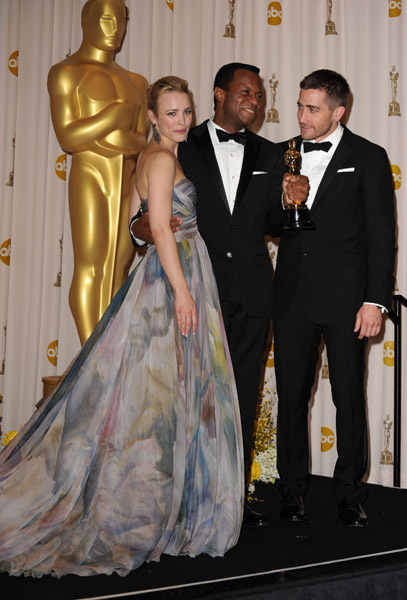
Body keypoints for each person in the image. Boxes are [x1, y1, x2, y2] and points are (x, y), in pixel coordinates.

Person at [0, 76, 244, 577]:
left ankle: (170, 506)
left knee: (168, 396)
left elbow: (139, 228)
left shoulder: (155, 158)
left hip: (172, 272)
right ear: (152, 117)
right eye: (170, 113)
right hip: (172, 281)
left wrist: (169, 258)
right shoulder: (158, 159)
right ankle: (144, 510)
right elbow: (154, 228)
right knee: (156, 399)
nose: (180, 121)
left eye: (186, 112)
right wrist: (181, 292)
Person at [131, 62, 309, 527]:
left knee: (240, 396)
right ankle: (181, 499)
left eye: (259, 93)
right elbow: (141, 218)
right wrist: (147, 231)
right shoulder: (178, 142)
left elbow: (270, 225)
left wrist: (289, 203)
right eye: (244, 91)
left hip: (251, 291)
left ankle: (231, 499)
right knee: (185, 392)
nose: (254, 99)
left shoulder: (272, 154)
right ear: (219, 94)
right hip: (193, 287)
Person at [273, 69, 395, 527]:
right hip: (291, 297)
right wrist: (283, 204)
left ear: (338, 112)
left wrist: (375, 300)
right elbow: (267, 221)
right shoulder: (282, 153)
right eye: (300, 106)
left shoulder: (367, 156)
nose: (302, 116)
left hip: (347, 300)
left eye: (313, 109)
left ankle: (348, 492)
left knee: (348, 395)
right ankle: (291, 491)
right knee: (291, 397)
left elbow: (382, 236)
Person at [48, 0, 149, 344]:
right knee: (91, 263)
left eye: (120, 20)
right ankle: (90, 361)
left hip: (128, 178)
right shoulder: (67, 72)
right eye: (106, 19)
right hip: (90, 173)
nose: (114, 28)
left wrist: (113, 134)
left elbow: (139, 140)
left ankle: (110, 354)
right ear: (87, 21)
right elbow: (67, 136)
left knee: (120, 263)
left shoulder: (137, 81)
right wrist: (111, 117)